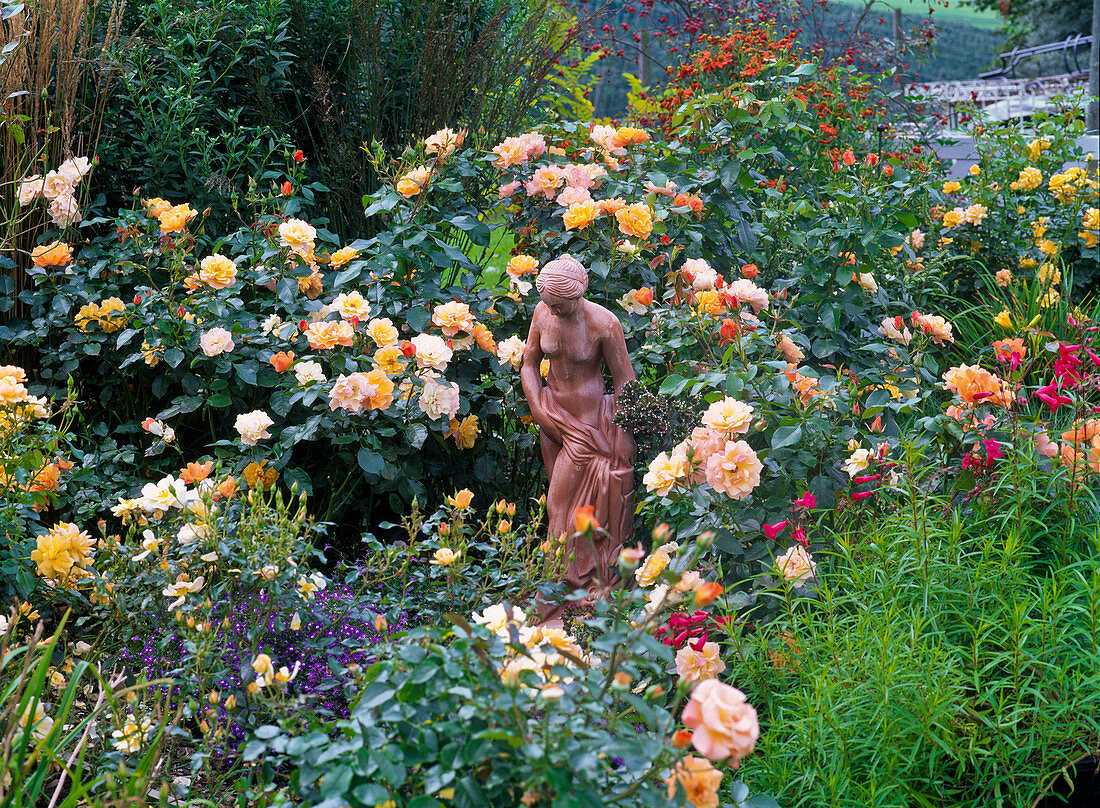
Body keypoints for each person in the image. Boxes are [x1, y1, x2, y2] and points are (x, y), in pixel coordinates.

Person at [520, 255, 636, 617]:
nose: (552, 312)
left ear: (578, 295)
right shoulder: (543, 314)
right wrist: (538, 408)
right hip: (552, 420)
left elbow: (624, 381)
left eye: (559, 306)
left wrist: (624, 432)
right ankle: (581, 584)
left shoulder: (605, 323)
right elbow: (528, 364)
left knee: (558, 505)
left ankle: (556, 586)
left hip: (587, 428)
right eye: (548, 304)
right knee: (572, 507)